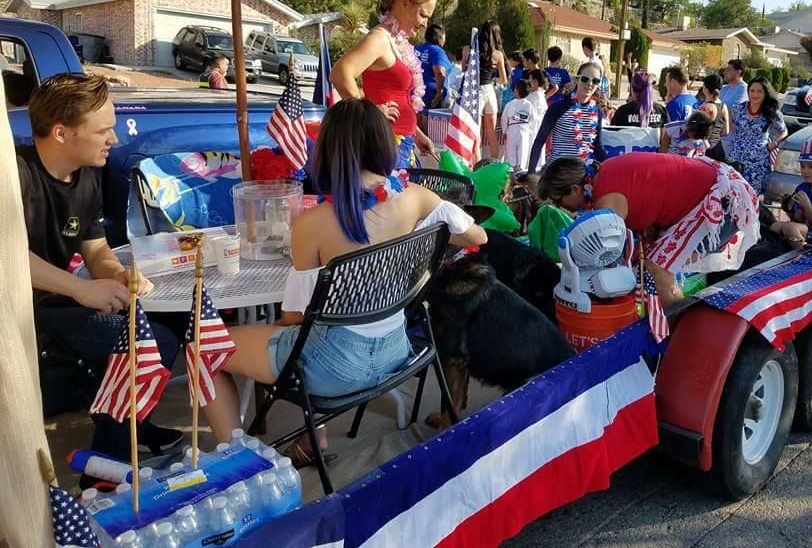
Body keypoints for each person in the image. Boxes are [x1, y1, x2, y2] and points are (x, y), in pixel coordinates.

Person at [201, 99, 487, 459]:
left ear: (329, 151)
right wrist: (431, 229)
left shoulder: (312, 224)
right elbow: (477, 237)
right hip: (396, 350)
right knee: (314, 332)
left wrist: (268, 328)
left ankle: (236, 463)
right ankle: (312, 440)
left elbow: (295, 319)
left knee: (202, 346)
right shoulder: (414, 198)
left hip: (333, 368)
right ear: (384, 143)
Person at [16, 74, 182, 462]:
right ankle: (113, 457)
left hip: (53, 304)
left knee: (162, 332)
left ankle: (121, 437)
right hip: (19, 313)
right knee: (149, 343)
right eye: (103, 130)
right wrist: (81, 290)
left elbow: (95, 251)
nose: (115, 139)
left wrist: (120, 276)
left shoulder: (86, 177)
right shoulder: (15, 175)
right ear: (61, 132)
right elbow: (7, 256)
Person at [537, 152, 759, 307]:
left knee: (658, 267)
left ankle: (677, 335)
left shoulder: (606, 200)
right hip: (717, 183)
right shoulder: (601, 175)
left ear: (576, 189)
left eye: (558, 201)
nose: (560, 208)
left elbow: (609, 260)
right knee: (651, 259)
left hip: (721, 199)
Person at [331, 0, 439, 168]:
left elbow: (399, 98)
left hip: (403, 143)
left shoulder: (397, 40)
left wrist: (417, 134)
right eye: (423, 15)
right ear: (405, 2)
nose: (425, 24)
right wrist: (367, 112)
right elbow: (340, 73)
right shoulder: (379, 38)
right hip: (385, 146)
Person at [528, 62, 605, 172]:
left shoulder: (598, 112)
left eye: (595, 81)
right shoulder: (558, 107)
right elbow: (539, 141)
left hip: (580, 175)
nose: (590, 84)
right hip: (556, 173)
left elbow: (597, 147)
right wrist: (531, 173)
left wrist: (614, 166)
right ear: (577, 79)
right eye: (585, 79)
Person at [728, 77, 788, 195]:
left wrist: (774, 144)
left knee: (751, 197)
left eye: (759, 91)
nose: (755, 94)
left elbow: (783, 132)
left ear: (766, 93)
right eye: (752, 91)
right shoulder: (738, 108)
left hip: (757, 162)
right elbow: (731, 124)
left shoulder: (772, 112)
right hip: (736, 158)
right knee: (733, 194)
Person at [477, 20, 508, 159]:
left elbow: (466, 70)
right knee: (491, 134)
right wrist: (494, 80)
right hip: (489, 92)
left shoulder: (470, 51)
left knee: (476, 135)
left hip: (475, 92)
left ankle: (475, 169)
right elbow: (504, 79)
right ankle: (495, 165)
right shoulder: (498, 55)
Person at [659, 66, 699, 153]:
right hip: (691, 153)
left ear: (673, 81)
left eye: (666, 81)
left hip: (674, 155)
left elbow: (666, 136)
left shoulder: (673, 105)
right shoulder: (695, 102)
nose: (664, 85)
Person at [414, 22, 451, 114]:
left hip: (416, 96)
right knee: (433, 127)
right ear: (440, 37)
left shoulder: (416, 49)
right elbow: (440, 73)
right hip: (433, 98)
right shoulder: (437, 51)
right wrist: (439, 93)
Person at [501, 80, 536, 169]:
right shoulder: (529, 105)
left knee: (511, 155)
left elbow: (504, 119)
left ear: (516, 91)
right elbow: (533, 119)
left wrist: (504, 131)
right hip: (524, 131)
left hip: (512, 131)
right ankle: (520, 172)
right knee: (522, 155)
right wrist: (529, 129)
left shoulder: (510, 104)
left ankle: (512, 173)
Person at [719, 59, 748, 158]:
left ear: (738, 72)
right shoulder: (724, 88)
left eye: (729, 69)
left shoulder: (744, 89)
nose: (725, 72)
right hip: (719, 135)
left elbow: (733, 110)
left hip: (733, 139)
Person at [698, 74, 729, 159]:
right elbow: (725, 131)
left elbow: (698, 132)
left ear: (706, 89)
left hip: (706, 150)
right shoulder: (723, 106)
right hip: (719, 148)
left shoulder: (705, 108)